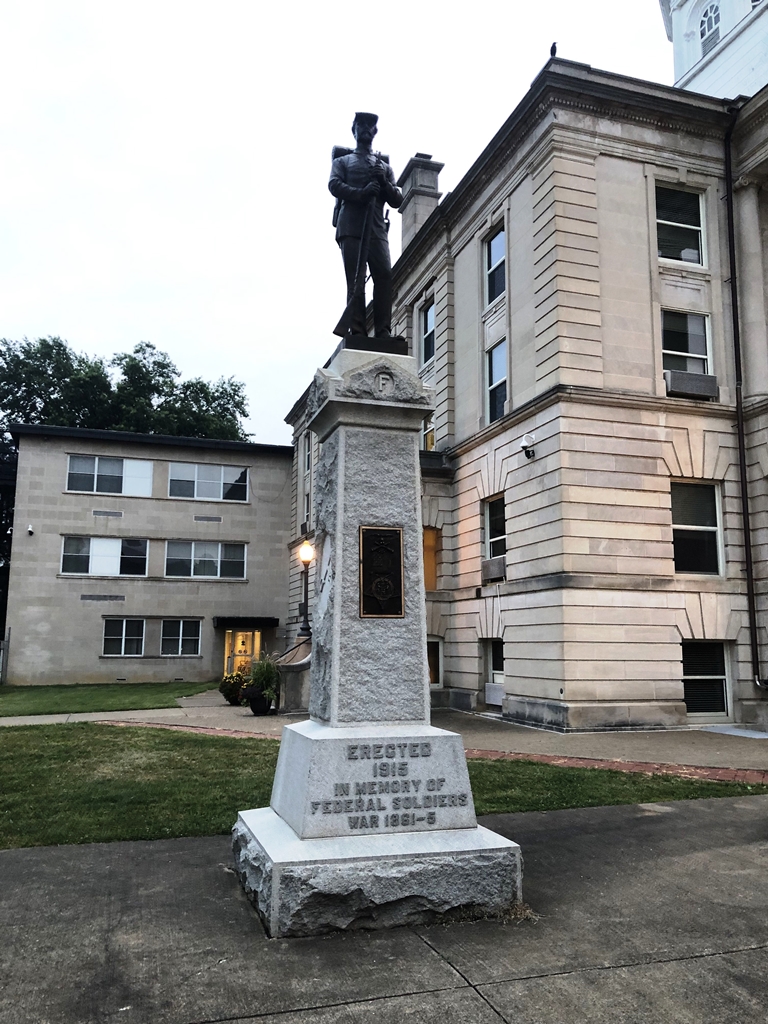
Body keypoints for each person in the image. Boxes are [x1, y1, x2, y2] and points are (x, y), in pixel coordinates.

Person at [329, 112, 403, 338]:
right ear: (354, 130)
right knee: (355, 279)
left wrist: (382, 182)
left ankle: (383, 332)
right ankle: (358, 331)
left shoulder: (384, 167)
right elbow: (334, 185)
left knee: (383, 275)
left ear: (375, 132)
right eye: (360, 124)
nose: (365, 128)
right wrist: (361, 194)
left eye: (370, 125)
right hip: (350, 226)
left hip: (376, 227)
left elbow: (397, 199)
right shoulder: (343, 162)